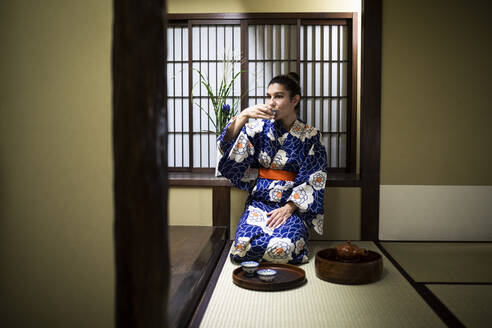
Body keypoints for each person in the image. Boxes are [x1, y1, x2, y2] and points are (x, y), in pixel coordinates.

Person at [217, 72, 328, 264]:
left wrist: (289, 208)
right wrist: (244, 115)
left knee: (287, 247)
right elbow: (226, 146)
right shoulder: (258, 128)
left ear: (294, 100)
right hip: (260, 202)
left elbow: (314, 177)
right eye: (269, 96)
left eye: (278, 96)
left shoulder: (311, 135)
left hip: (292, 205)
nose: (271, 102)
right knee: (241, 248)